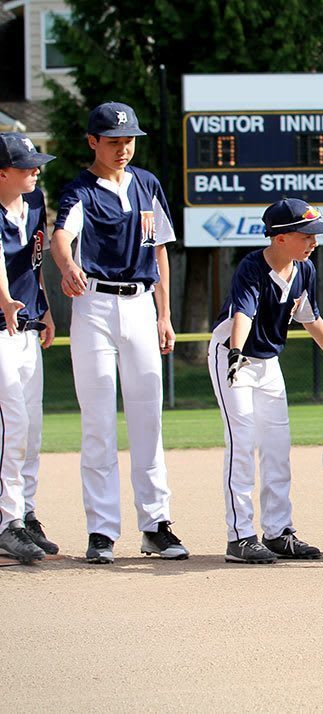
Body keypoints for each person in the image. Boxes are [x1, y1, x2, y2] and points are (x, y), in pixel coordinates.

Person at [50, 102, 186, 564]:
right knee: (99, 423)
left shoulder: (147, 184)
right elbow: (61, 237)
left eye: (129, 140)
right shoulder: (80, 190)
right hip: (94, 306)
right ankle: (102, 531)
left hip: (141, 305)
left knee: (149, 420)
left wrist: (165, 315)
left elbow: (160, 250)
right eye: (113, 140)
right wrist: (68, 266)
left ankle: (156, 525)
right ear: (93, 142)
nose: (123, 148)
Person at [209, 198, 323, 564]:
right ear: (280, 238)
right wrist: (235, 352)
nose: (314, 241)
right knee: (242, 442)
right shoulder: (251, 266)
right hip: (233, 360)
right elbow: (242, 313)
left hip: (268, 363)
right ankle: (240, 536)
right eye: (306, 234)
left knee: (278, 448)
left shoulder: (304, 270)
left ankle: (279, 531)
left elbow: (311, 319)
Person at [0, 132, 58, 564]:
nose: (35, 170)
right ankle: (8, 523)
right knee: (12, 427)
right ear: (2, 172)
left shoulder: (35, 204)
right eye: (25, 166)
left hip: (27, 327)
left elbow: (36, 262)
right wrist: (4, 298)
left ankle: (27, 512)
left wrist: (47, 309)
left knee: (32, 430)